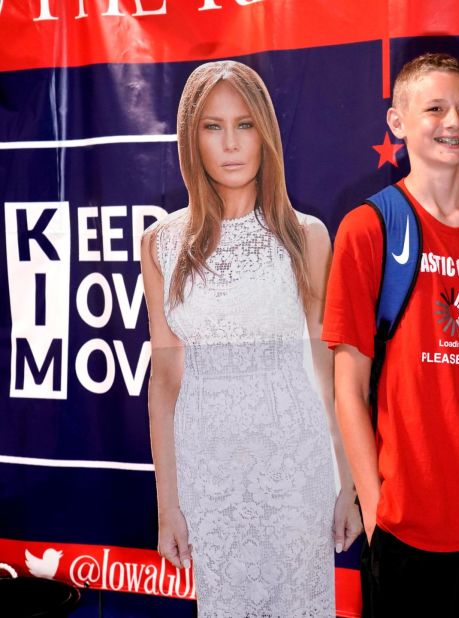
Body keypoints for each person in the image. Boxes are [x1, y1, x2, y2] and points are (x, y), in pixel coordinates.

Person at [323, 53, 459, 616]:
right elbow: (347, 385)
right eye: (435, 108)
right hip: (405, 529)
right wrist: (375, 510)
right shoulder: (369, 228)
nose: (453, 121)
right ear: (397, 121)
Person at [140, 60, 361, 617]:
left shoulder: (305, 236)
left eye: (244, 125)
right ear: (192, 138)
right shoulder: (161, 242)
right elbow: (165, 381)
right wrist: (169, 504)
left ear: (266, 132)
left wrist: (347, 483)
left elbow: (324, 364)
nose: (231, 143)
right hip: (207, 473)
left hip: (295, 468)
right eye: (212, 127)